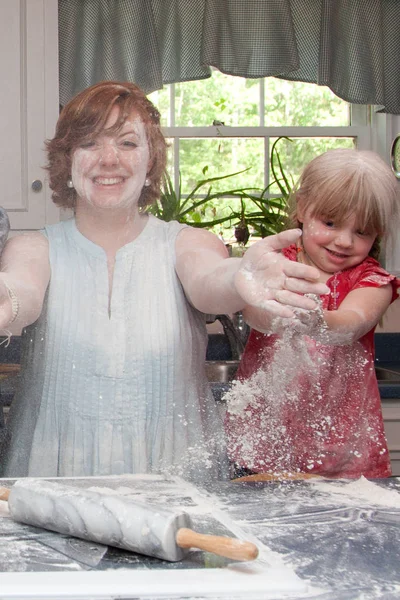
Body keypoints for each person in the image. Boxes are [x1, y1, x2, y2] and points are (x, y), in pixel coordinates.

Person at [0, 80, 327, 482]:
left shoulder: (188, 243)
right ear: (66, 161)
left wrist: (240, 274)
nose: (109, 159)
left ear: (150, 159)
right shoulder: (34, 247)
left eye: (127, 143)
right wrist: (8, 298)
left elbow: (210, 278)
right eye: (89, 143)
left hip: (176, 474)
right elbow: (22, 289)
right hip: (52, 469)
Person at [225, 148, 400, 480]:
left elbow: (353, 322)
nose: (344, 240)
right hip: (263, 448)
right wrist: (270, 308)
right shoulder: (275, 266)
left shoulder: (372, 281)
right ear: (303, 208)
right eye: (330, 222)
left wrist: (318, 322)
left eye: (362, 231)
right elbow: (255, 315)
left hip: (344, 457)